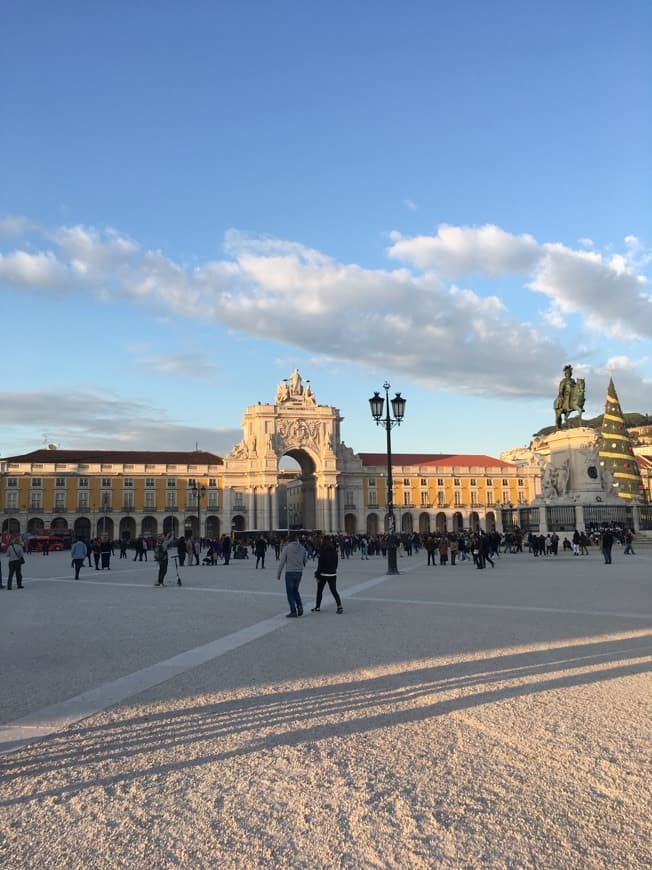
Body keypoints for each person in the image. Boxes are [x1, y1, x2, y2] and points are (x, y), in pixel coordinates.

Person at [277, 533, 307, 617]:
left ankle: (293, 611)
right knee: (295, 590)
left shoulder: (286, 548)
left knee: (290, 592)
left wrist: (279, 573)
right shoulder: (302, 548)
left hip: (290, 572)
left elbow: (282, 562)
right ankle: (300, 606)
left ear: (288, 540)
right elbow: (305, 560)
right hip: (299, 572)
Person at [312, 535, 343, 613]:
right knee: (334, 591)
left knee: (319, 591)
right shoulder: (334, 550)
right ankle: (339, 606)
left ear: (324, 541)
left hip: (323, 574)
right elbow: (336, 562)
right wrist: (333, 570)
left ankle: (317, 607)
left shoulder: (322, 550)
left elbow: (321, 564)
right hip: (332, 574)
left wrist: (317, 573)